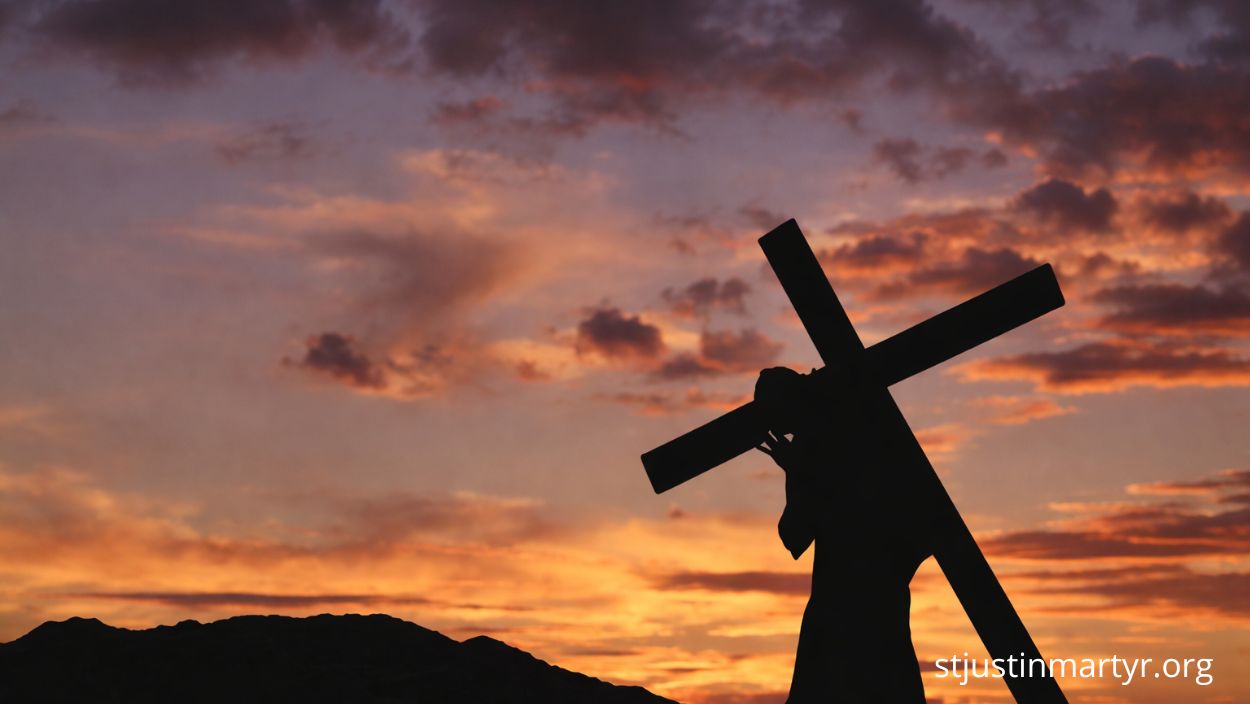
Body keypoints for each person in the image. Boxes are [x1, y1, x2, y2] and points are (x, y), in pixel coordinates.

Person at [754, 366, 931, 703]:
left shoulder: (825, 440)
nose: (775, 426)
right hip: (869, 587)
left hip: (851, 592)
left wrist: (796, 471)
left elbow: (796, 532)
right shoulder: (845, 429)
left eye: (774, 413)